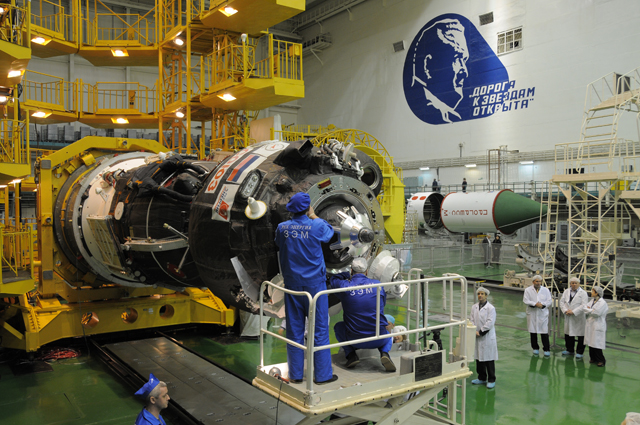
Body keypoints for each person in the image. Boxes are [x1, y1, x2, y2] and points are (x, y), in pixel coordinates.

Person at [274, 192, 337, 385]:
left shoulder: (282, 228)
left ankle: (295, 374)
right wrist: (314, 215)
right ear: (308, 207)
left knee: (294, 331)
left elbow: (278, 244)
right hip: (315, 286)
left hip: (292, 286)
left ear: (291, 209)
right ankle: (323, 376)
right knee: (319, 330)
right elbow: (329, 234)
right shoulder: (316, 225)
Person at [330, 257, 396, 372]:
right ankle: (384, 353)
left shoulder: (345, 286)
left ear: (352, 271)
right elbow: (383, 304)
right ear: (367, 271)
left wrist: (345, 274)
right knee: (387, 331)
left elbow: (333, 280)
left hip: (355, 339)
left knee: (338, 327)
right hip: (378, 338)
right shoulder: (378, 285)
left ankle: (351, 355)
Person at [409, 18, 469, 123]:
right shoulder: (429, 110)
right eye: (456, 59)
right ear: (427, 65)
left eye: (464, 60)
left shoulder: (448, 115)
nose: (464, 72)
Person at [470, 287, 498, 389]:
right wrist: (473, 330)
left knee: (488, 359)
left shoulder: (491, 308)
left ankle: (491, 379)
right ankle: (481, 378)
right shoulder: (474, 307)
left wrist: (481, 332)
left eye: (482, 294)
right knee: (479, 358)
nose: (480, 295)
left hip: (487, 337)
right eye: (479, 294)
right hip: (477, 335)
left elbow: (490, 322)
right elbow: (471, 319)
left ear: (486, 295)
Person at [523, 275, 552, 356]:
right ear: (533, 282)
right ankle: (535, 348)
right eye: (537, 281)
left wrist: (542, 305)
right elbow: (525, 300)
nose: (538, 283)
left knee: (544, 332)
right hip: (532, 313)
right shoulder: (528, 290)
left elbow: (549, 301)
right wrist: (535, 304)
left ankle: (546, 349)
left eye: (540, 281)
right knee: (533, 332)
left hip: (542, 313)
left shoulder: (545, 290)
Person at [559, 277, 588, 358]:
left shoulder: (583, 293)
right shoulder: (566, 291)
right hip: (568, 315)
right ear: (570, 284)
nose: (574, 284)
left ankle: (580, 352)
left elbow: (584, 305)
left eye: (576, 283)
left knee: (580, 335)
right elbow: (562, 302)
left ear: (579, 284)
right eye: (572, 283)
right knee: (568, 334)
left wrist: (573, 312)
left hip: (578, 317)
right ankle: (569, 350)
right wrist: (565, 311)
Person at [585, 285, 608, 367]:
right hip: (591, 324)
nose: (591, 292)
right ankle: (593, 358)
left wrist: (589, 310)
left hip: (598, 324)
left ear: (597, 293)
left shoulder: (602, 303)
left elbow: (597, 313)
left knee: (597, 343)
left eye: (593, 291)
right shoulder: (592, 301)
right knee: (591, 342)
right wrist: (590, 310)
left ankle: (601, 360)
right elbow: (585, 308)